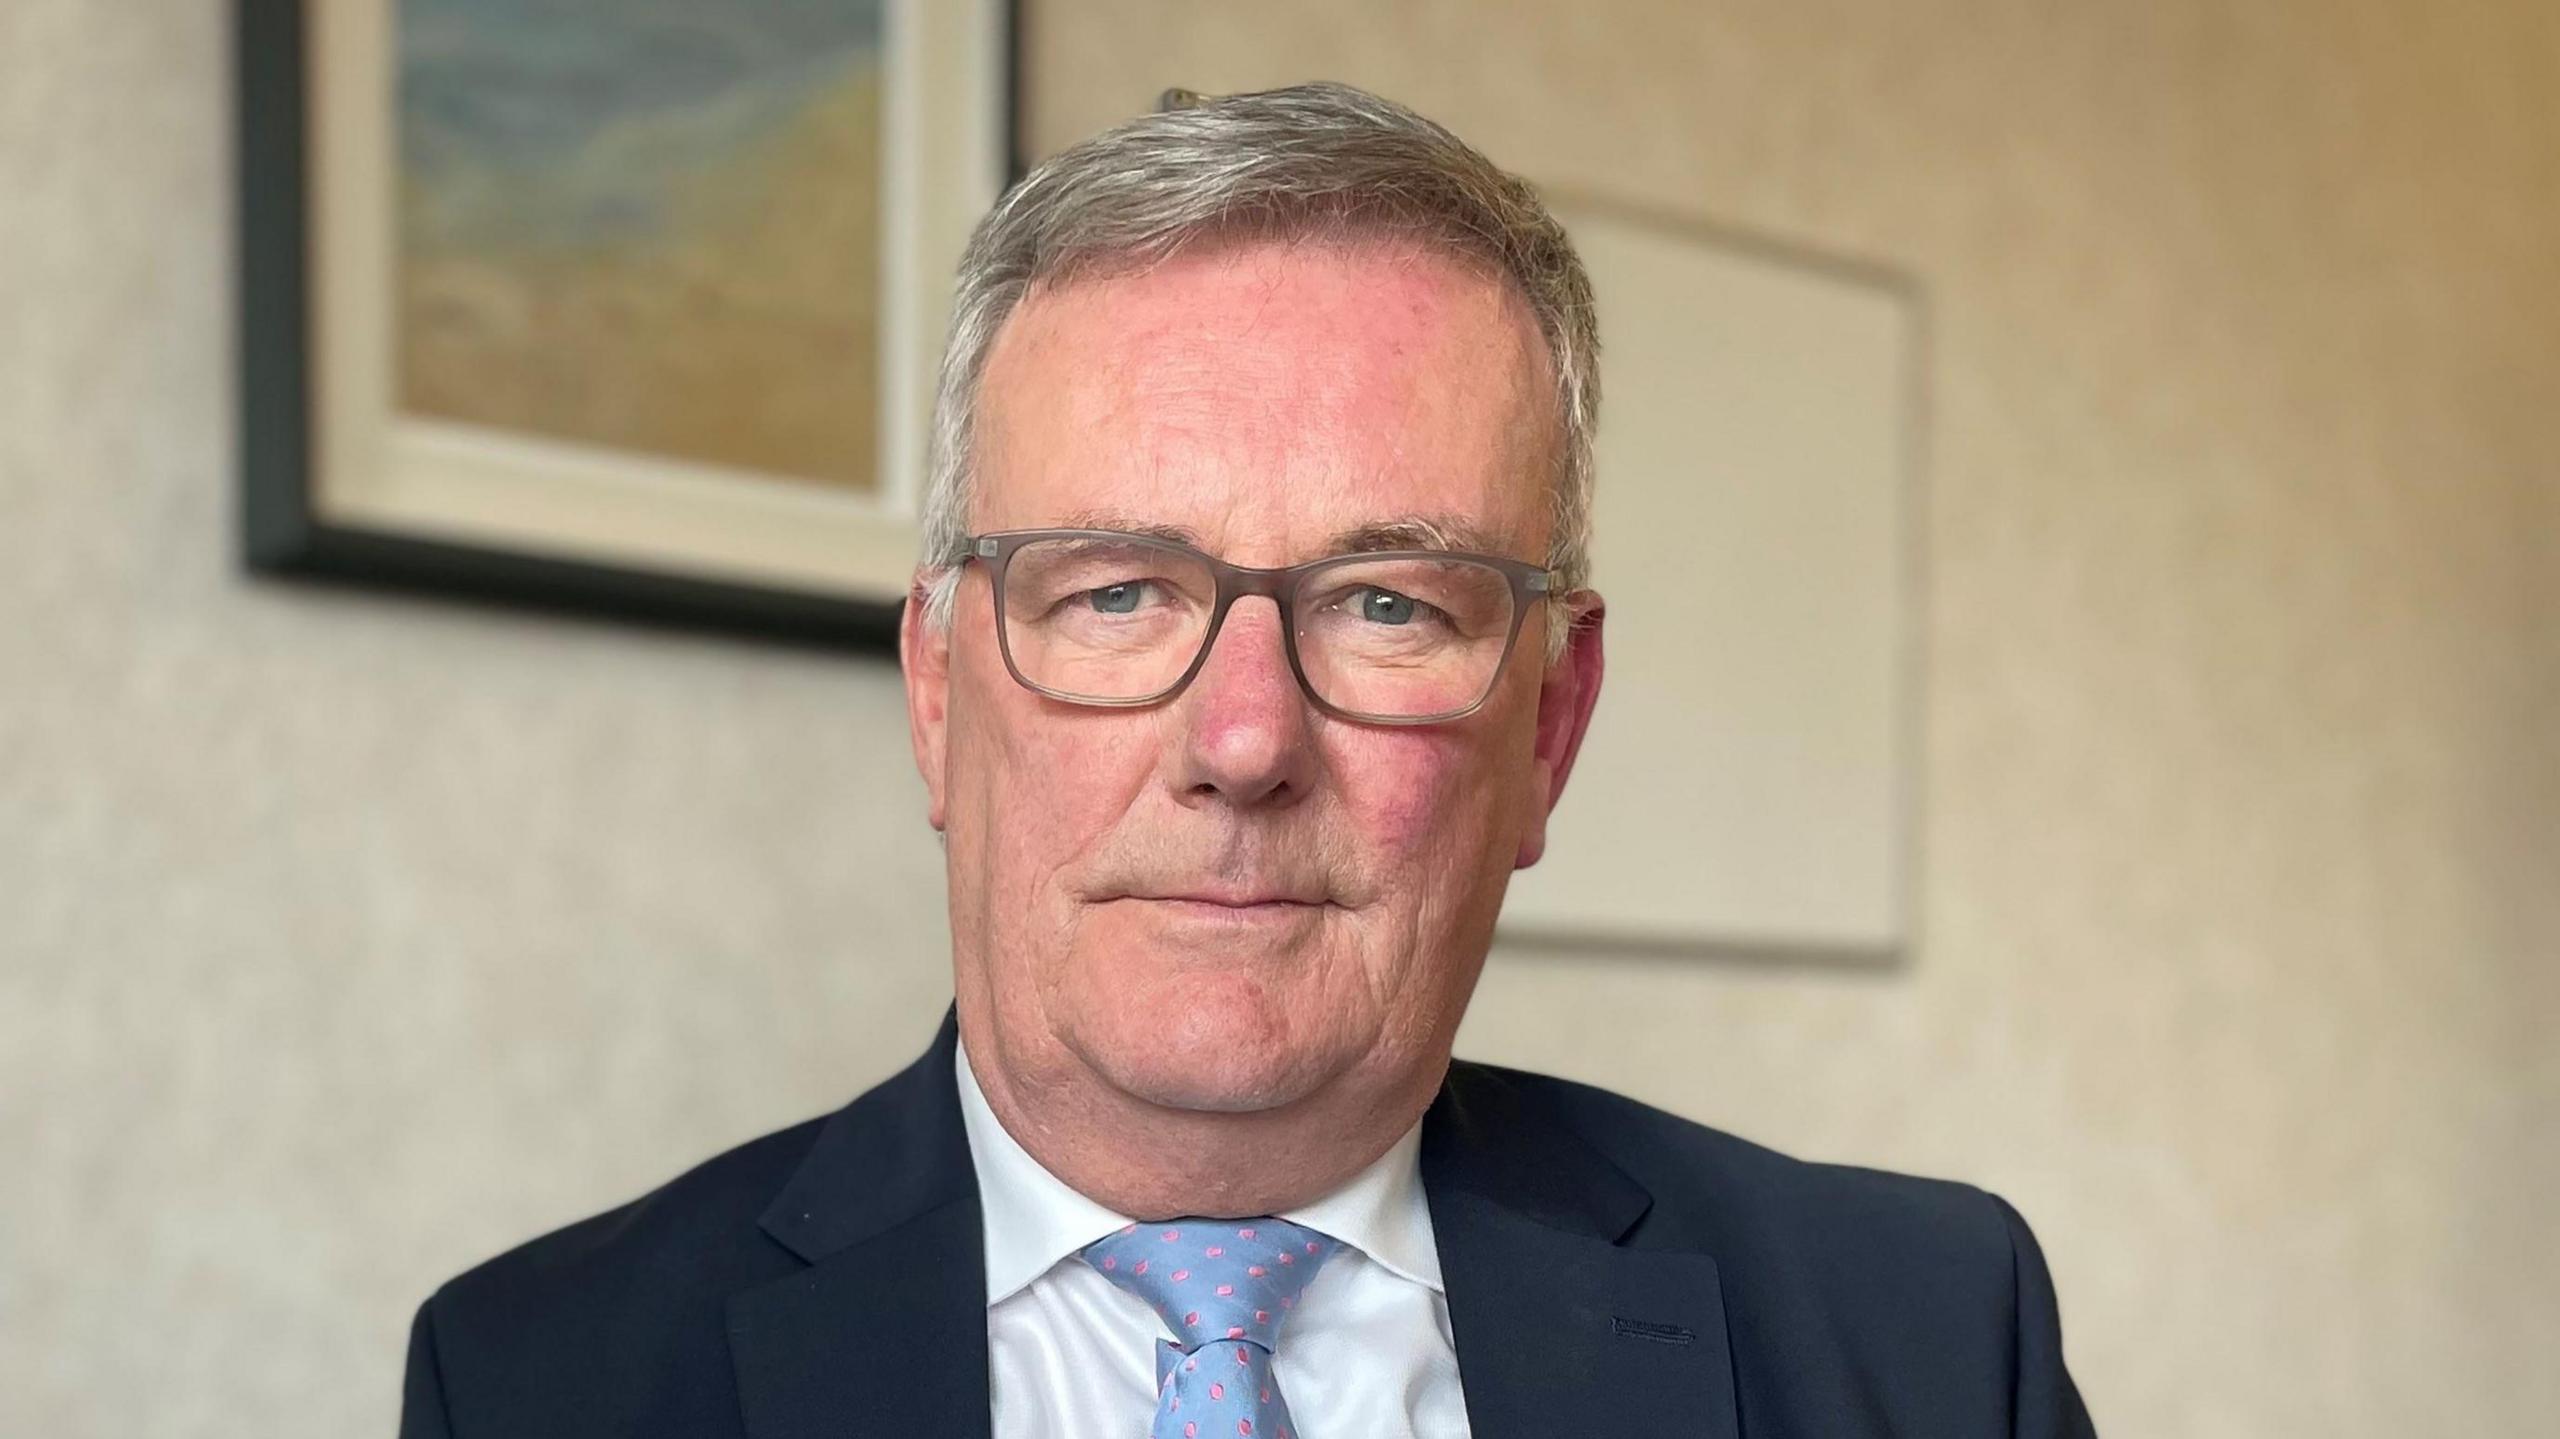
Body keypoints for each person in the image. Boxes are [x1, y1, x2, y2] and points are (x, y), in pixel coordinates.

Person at [399, 82, 2097, 1439]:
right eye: (1120, 592)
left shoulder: (1931, 1346)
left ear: (1548, 734)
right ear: (936, 692)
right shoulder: (545, 1383)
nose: (1244, 740)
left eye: (1385, 605)